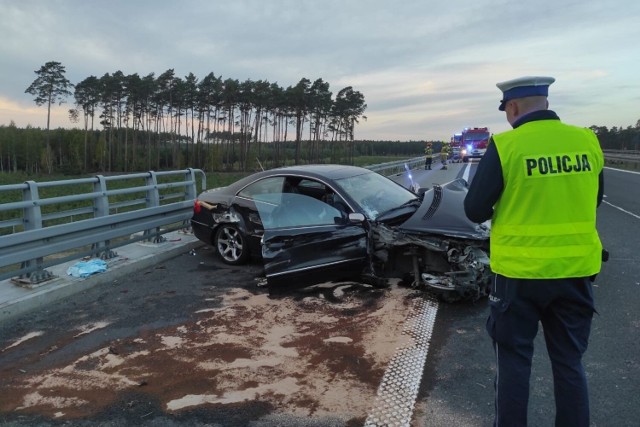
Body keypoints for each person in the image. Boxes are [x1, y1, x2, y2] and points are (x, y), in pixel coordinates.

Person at [464, 76, 605, 427]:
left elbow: (475, 209)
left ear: (512, 107)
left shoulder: (507, 146)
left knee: (514, 364)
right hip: (575, 273)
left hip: (518, 277)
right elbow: (596, 199)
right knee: (570, 364)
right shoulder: (587, 140)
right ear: (544, 102)